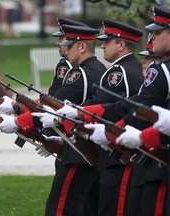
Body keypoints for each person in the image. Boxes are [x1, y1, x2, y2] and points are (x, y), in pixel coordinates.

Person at [53, 8, 170, 215]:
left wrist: (110, 132)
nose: (151, 37)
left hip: (131, 154)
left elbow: (137, 109)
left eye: (157, 32)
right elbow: (130, 105)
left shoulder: (134, 71)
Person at [35, 20, 144, 216]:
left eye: (108, 41)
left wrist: (64, 118)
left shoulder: (119, 72)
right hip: (106, 148)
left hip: (116, 151)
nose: (102, 45)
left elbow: (106, 105)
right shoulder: (125, 68)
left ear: (120, 45)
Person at [0, 23, 106, 215]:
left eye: (68, 43)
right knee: (89, 207)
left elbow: (51, 108)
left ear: (82, 47)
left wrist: (16, 120)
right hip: (92, 149)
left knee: (61, 207)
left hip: (77, 150)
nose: (63, 46)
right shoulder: (99, 69)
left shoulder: (79, 72)